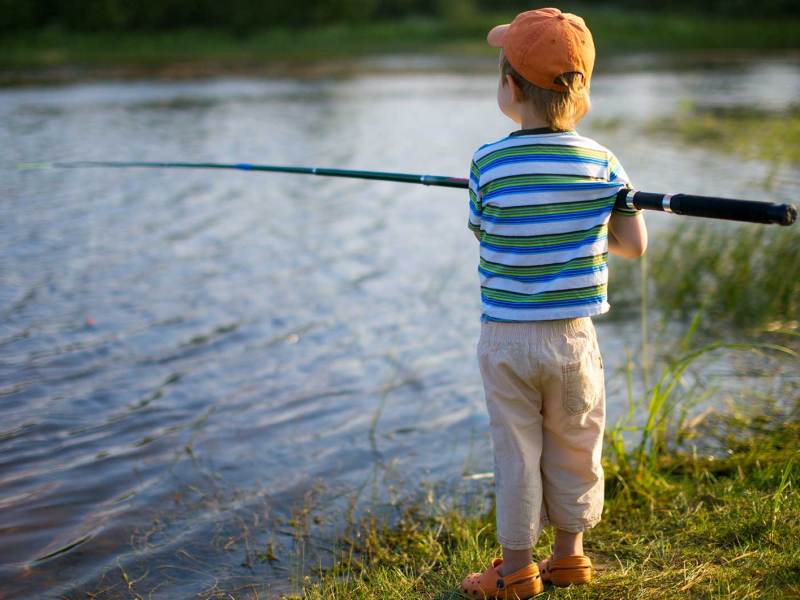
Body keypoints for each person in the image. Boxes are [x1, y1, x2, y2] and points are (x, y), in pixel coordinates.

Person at [460, 7, 647, 599]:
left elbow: (483, 229)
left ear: (510, 87)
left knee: (517, 451)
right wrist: (606, 213)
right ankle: (570, 556)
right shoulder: (602, 163)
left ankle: (516, 569)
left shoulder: (487, 162)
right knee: (576, 443)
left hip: (507, 338)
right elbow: (632, 247)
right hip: (572, 338)